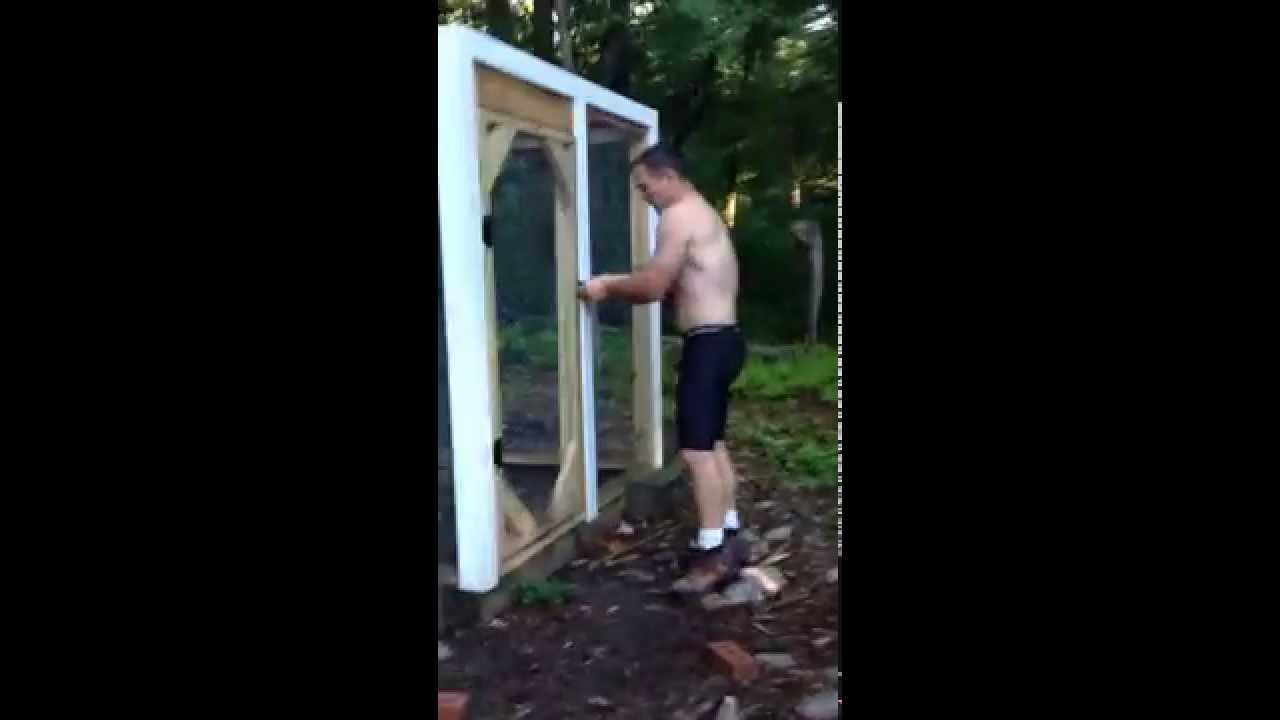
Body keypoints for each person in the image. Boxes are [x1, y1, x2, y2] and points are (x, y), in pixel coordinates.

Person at [579, 144, 747, 594]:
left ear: (668, 177)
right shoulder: (703, 213)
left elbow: (653, 286)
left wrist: (606, 285)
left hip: (708, 344)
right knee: (711, 444)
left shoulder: (678, 216)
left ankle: (711, 554)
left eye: (645, 186)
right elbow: (683, 281)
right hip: (724, 341)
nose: (644, 195)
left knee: (695, 452)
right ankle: (729, 533)